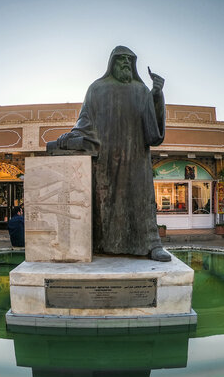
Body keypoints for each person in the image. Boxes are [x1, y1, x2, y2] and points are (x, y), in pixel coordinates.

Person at [52, 46, 170, 261]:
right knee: (103, 203)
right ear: (112, 62)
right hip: (106, 157)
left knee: (140, 198)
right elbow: (85, 121)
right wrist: (72, 136)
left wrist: (156, 95)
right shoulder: (97, 89)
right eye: (121, 59)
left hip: (136, 158)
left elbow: (153, 134)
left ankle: (152, 244)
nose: (125, 62)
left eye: (129, 59)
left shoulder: (141, 90)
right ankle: (100, 244)